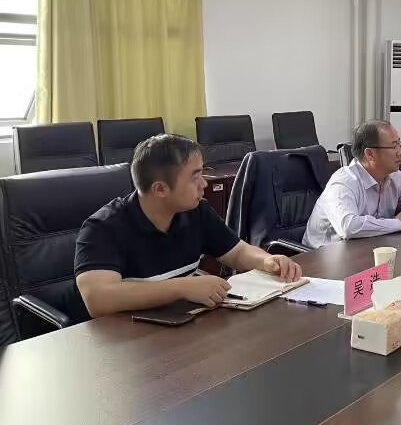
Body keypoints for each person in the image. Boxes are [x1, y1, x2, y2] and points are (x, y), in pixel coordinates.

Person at [75, 134, 302, 318]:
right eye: (195, 177)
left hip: (177, 324)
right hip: (123, 341)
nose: (204, 184)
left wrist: (266, 261)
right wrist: (182, 288)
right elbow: (98, 299)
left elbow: (237, 252)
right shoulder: (102, 228)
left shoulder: (196, 211)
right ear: (160, 189)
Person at [303, 120, 401, 247]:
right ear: (370, 154)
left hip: (366, 249)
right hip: (321, 257)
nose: (400, 152)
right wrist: (399, 223)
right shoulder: (344, 182)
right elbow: (348, 227)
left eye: (400, 145)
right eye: (394, 147)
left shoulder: (396, 178)